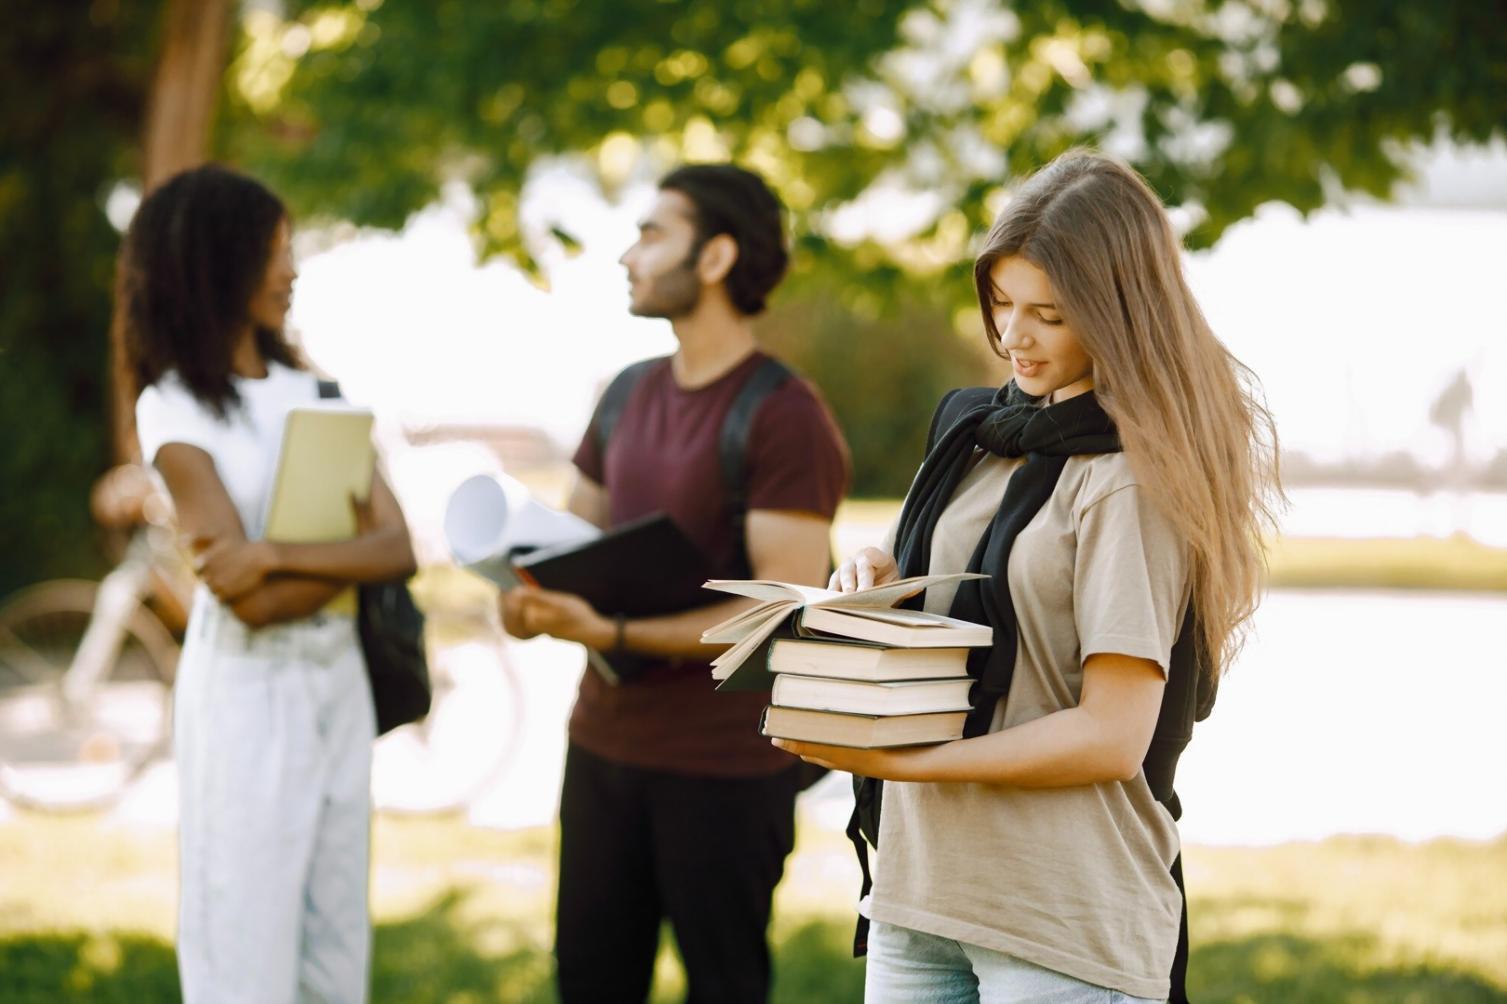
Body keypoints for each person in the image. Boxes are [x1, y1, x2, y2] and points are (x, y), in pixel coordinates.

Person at [777, 149, 1281, 1003]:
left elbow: (1111, 734)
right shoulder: (979, 436)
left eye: (1047, 313)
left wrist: (912, 761)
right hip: (920, 892)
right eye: (1001, 304)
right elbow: (968, 583)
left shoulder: (1129, 477)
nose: (1012, 336)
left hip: (1059, 920)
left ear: (1118, 315)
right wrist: (876, 571)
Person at [498, 164, 851, 1003]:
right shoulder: (625, 393)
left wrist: (613, 635)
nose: (629, 254)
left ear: (717, 256)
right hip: (602, 751)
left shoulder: (782, 414)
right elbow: (570, 544)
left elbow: (781, 615)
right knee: (588, 983)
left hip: (723, 772)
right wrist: (526, 597)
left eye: (653, 234)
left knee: (722, 989)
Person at [121, 164, 417, 1003]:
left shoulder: (317, 391)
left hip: (338, 685)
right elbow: (246, 606)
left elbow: (397, 547)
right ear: (217, 261)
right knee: (242, 941)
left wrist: (274, 555)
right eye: (274, 250)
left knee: (335, 939)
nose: (291, 271)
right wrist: (326, 561)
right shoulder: (173, 407)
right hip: (246, 697)